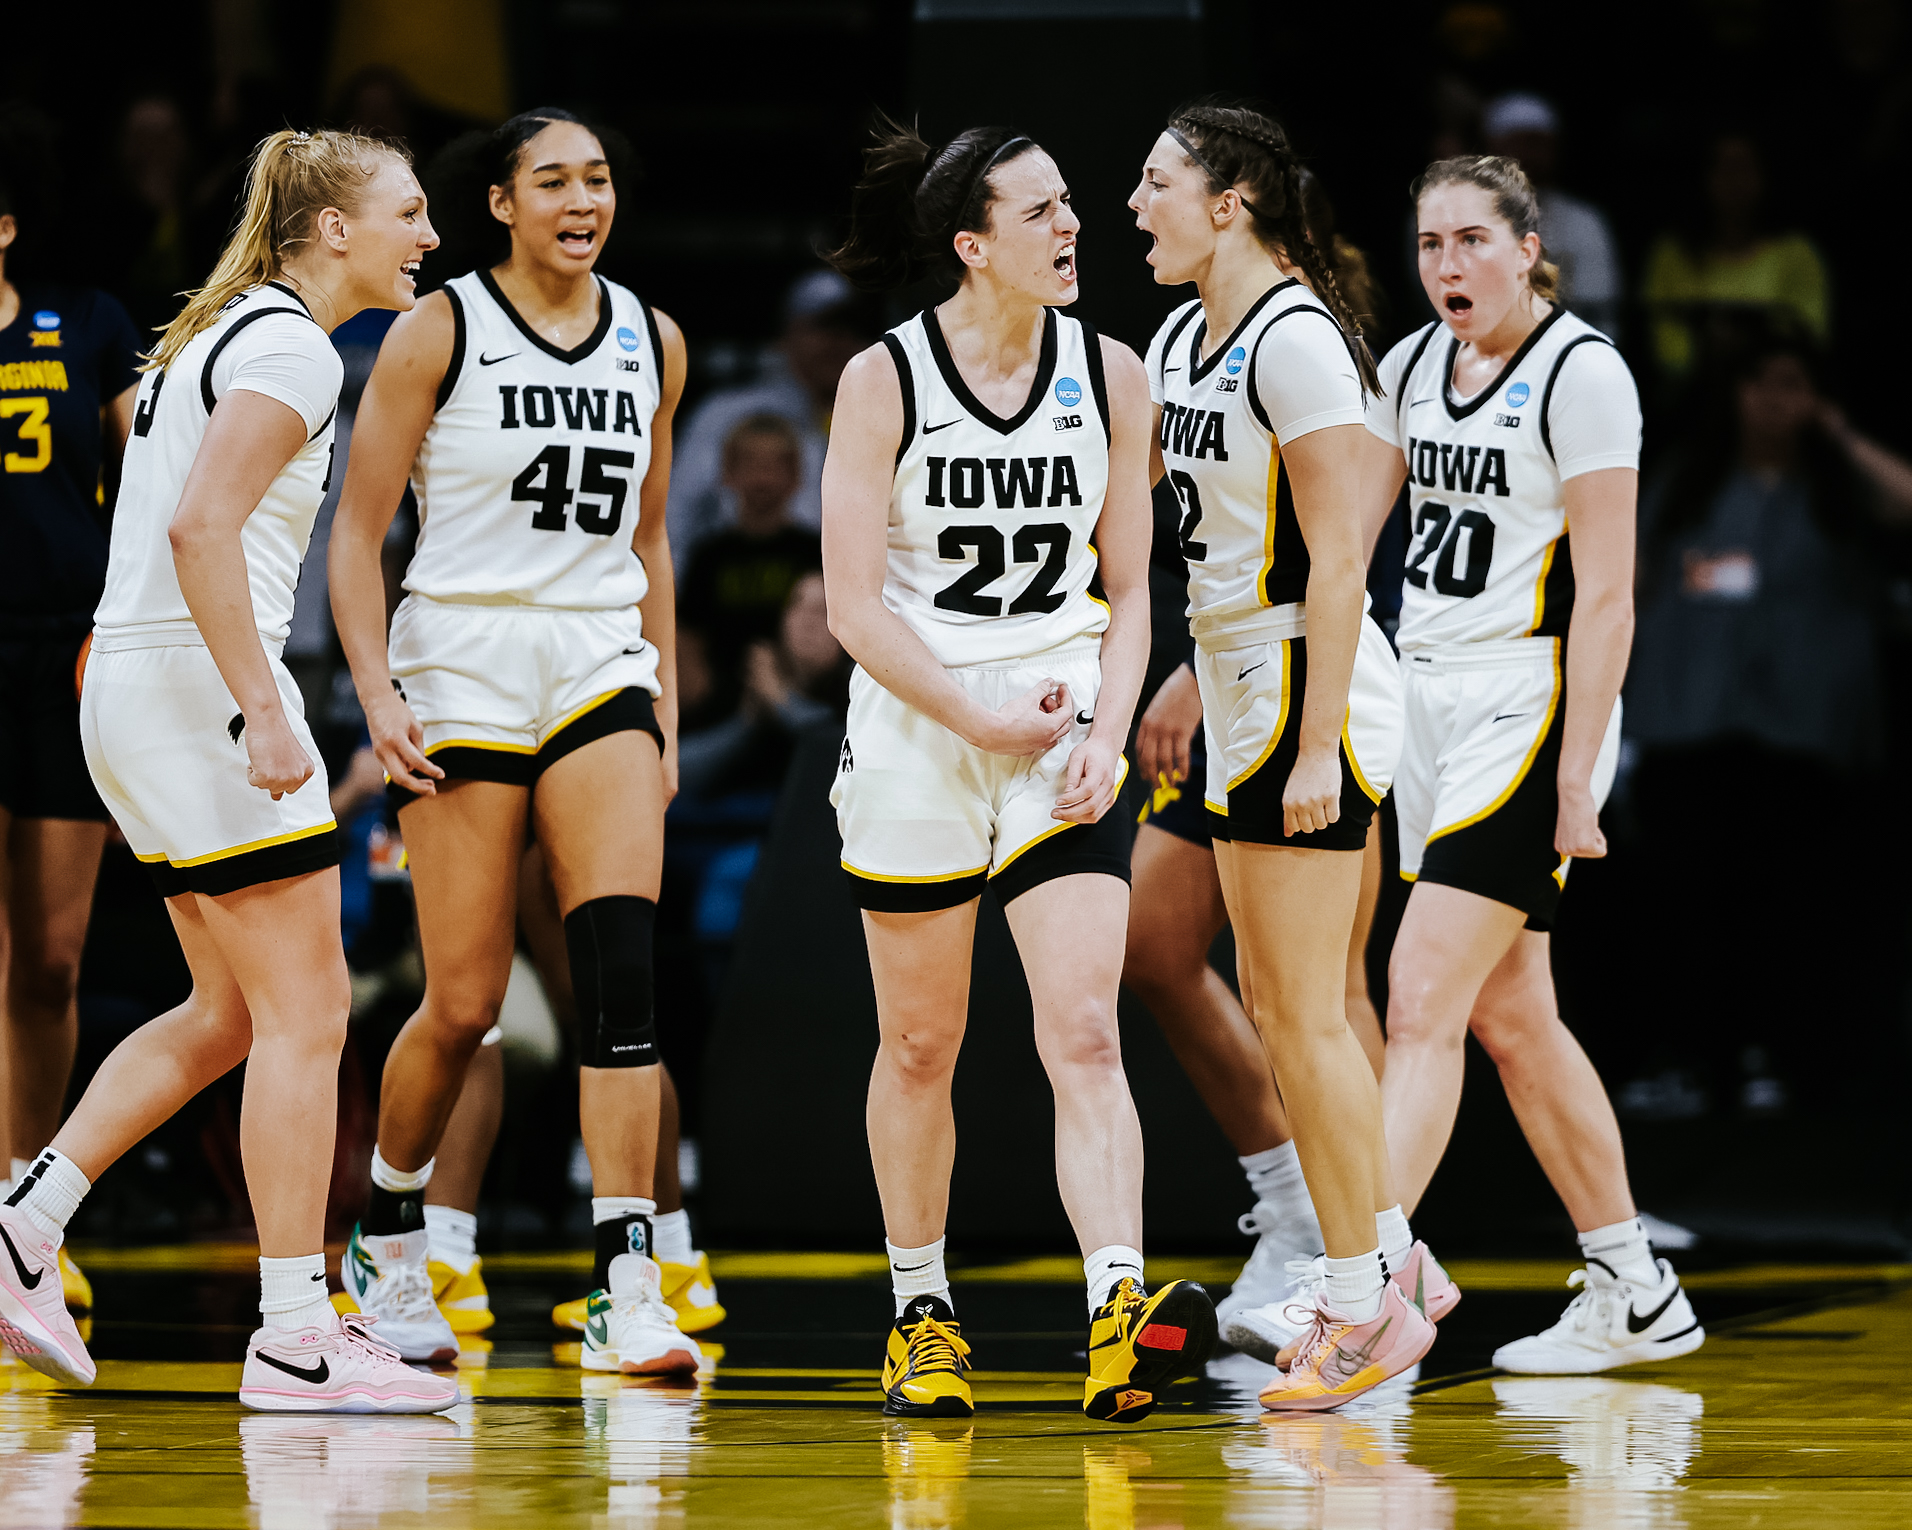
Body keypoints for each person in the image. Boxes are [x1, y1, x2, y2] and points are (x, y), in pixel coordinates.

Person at [0, 128, 457, 1414]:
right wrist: (264, 707)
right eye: (410, 213)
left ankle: (27, 1221)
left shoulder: (215, 329)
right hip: (201, 687)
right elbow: (203, 529)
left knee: (230, 1011)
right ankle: (297, 1336)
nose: (428, 238)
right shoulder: (291, 347)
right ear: (333, 229)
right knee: (309, 1014)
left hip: (131, 685)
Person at [823, 114, 1214, 1423]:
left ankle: (1118, 1310)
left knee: (1086, 1029)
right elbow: (852, 607)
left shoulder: (1114, 373)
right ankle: (920, 1313)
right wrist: (972, 715)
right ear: (971, 243)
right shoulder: (884, 377)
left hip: (1061, 727)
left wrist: (1105, 732)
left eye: (1071, 203)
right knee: (919, 1042)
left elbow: (1133, 591)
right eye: (1041, 210)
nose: (1073, 225)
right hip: (922, 724)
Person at [326, 106, 698, 1378]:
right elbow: (358, 532)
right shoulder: (439, 328)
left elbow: (650, 537)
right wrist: (376, 696)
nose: (581, 200)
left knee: (620, 988)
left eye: (597, 178)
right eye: (552, 181)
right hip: (462, 666)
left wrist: (663, 703)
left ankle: (628, 1287)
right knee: (466, 1003)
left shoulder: (653, 337)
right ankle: (390, 1233)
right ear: (498, 203)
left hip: (596, 664)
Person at [1358, 154, 1704, 1374]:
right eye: (1429, 244)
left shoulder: (1581, 373)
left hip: (1528, 703)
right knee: (1514, 1014)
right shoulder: (1410, 367)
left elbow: (1608, 595)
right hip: (1425, 702)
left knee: (1420, 999)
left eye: (1471, 240)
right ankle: (1634, 1286)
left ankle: (1362, 1291)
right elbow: (1343, 538)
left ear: (1526, 248)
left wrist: (1575, 772)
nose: (1447, 264)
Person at [1131, 99, 1449, 1412]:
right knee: (1283, 1004)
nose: (1135, 205)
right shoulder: (1178, 338)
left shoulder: (1298, 338)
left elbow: (1338, 558)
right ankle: (1393, 1264)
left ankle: (1364, 1297)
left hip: (1303, 685)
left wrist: (1316, 742)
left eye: (1156, 183)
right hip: (1233, 678)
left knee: (1308, 1012)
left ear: (1230, 202)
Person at [1624, 316, 1912, 1117]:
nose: (1774, 401)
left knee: (1793, 908)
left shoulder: (1840, 487)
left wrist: (1839, 435)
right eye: (1759, 383)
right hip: (1688, 724)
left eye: (1794, 385)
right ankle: (1694, 1057)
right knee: (1686, 905)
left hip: (1803, 737)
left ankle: (1780, 1059)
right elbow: (1631, 583)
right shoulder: (1687, 481)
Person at [0, 108, 144, 1320]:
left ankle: (22, 1206)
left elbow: (156, 477)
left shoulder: (86, 322)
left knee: (50, 961)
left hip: (65, 652)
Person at [668, 268, 875, 561]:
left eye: (852, 329)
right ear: (787, 336)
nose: (840, 342)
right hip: (735, 577)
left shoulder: (881, 417)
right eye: (826, 328)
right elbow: (676, 514)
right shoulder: (728, 413)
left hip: (835, 582)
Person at [1642, 132, 1831, 380]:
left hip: (1774, 391)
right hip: (1687, 392)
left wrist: (1751, 353)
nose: (1734, 180)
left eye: (1744, 167)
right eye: (1723, 167)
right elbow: (1662, 340)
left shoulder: (1797, 253)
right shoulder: (1672, 252)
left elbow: (1810, 337)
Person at [677, 412, 822, 708]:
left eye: (774, 467)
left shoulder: (816, 552)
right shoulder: (709, 557)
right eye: (751, 465)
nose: (763, 479)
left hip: (803, 700)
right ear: (727, 472)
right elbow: (688, 642)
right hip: (718, 708)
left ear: (796, 475)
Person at [1481, 93, 1622, 340]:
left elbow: (1599, 312)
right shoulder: (1456, 219)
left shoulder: (1585, 221)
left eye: (1538, 144)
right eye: (1518, 143)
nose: (1529, 155)